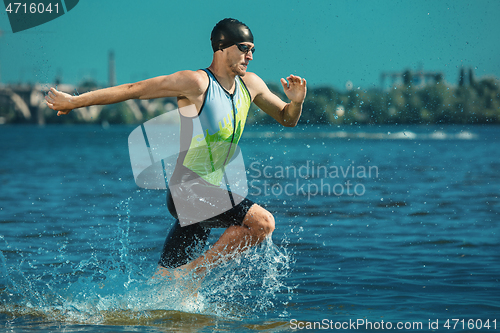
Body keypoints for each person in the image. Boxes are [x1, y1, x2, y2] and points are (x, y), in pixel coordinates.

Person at [45, 18, 307, 279]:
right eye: (244, 47)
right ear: (222, 47)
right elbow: (133, 90)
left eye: (253, 49)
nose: (250, 55)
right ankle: (192, 272)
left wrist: (296, 102)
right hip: (188, 191)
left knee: (168, 290)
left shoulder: (251, 85)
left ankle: (162, 291)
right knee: (262, 223)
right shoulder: (196, 83)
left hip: (209, 194)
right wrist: (74, 102)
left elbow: (287, 118)